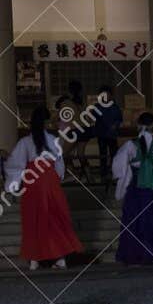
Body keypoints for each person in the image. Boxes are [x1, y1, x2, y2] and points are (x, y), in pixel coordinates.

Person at [4, 106, 83, 270]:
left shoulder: (25, 142)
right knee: (55, 218)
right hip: (50, 180)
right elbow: (59, 163)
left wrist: (14, 183)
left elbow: (15, 164)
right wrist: (58, 176)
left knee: (34, 218)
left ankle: (34, 258)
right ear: (46, 123)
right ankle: (60, 257)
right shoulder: (53, 141)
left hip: (33, 180)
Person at [111, 111, 153, 265]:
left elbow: (119, 168)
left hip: (137, 187)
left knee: (134, 220)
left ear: (139, 125)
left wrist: (121, 187)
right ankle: (152, 252)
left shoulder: (130, 145)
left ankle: (134, 253)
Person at [90, 84, 123, 184]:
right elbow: (91, 117)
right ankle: (103, 174)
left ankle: (114, 172)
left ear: (111, 95)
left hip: (112, 135)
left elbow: (119, 119)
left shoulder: (115, 107)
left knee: (114, 154)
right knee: (103, 155)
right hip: (102, 135)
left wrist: (115, 125)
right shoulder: (97, 107)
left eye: (107, 95)